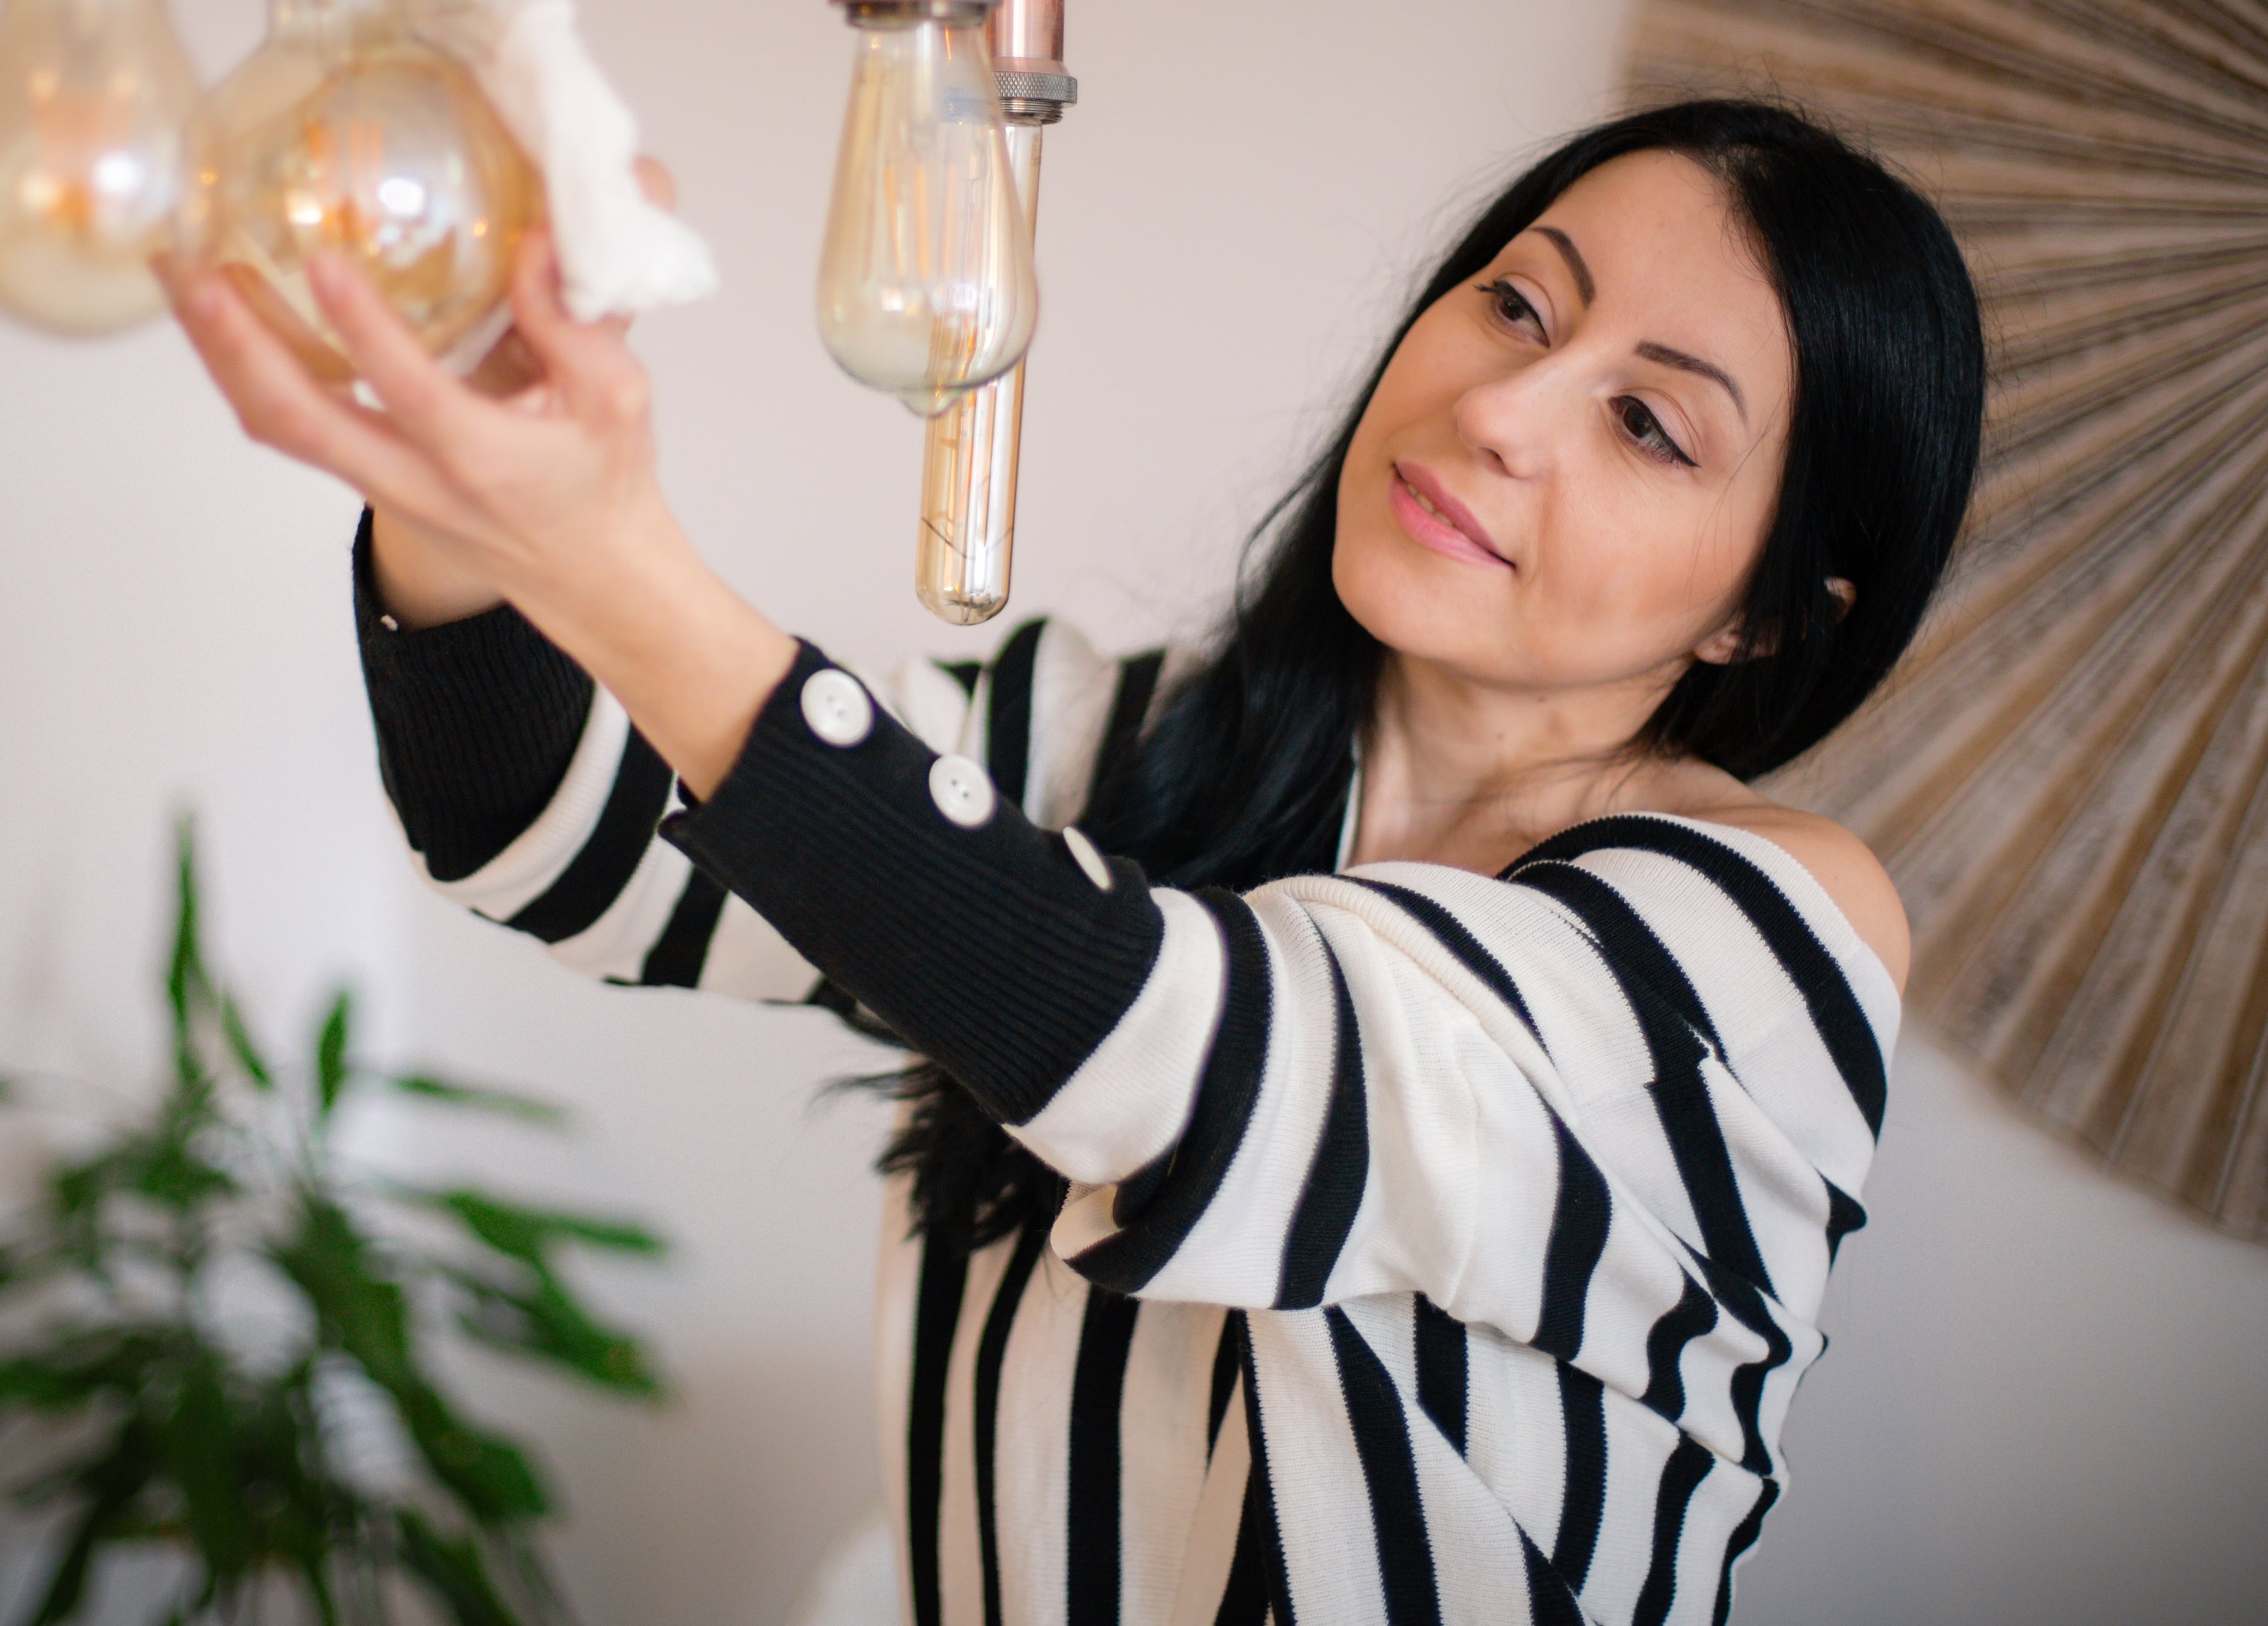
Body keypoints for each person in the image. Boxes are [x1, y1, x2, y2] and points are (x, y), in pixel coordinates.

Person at [159, 97, 1987, 1625]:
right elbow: (564, 846)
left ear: (1766, 612)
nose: (1506, 410)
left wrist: (617, 560)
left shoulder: (1766, 931)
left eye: (1649, 423)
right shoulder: (1115, 744)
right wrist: (454, 480)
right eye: (1518, 306)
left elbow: (1197, 1052)